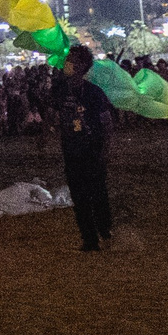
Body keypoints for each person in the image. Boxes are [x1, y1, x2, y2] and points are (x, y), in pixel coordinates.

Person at [59, 45, 115, 252]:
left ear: (83, 65)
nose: (68, 64)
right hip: (71, 150)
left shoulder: (93, 92)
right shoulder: (61, 90)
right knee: (79, 196)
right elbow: (53, 113)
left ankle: (106, 232)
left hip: (92, 149)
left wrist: (105, 150)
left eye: (72, 60)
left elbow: (107, 123)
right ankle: (89, 239)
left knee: (97, 193)